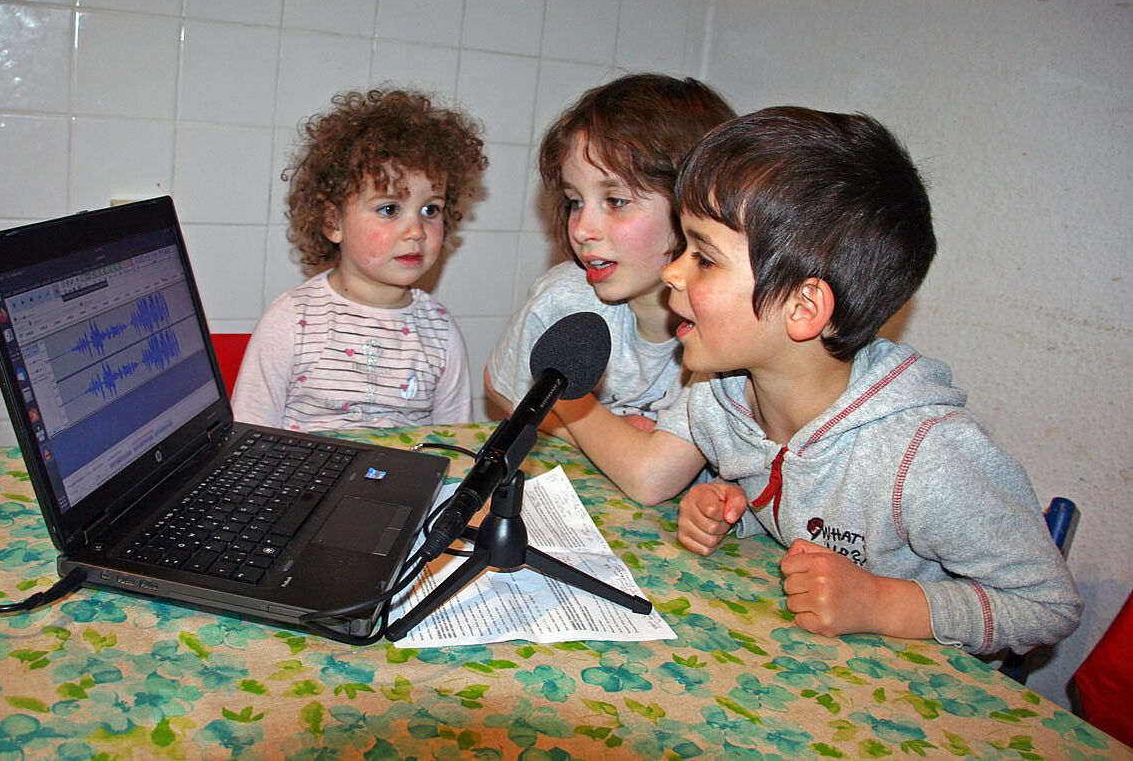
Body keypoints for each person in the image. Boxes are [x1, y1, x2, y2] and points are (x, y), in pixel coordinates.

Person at [567, 106, 1081, 655]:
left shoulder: (924, 459)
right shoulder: (716, 399)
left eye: (705, 259)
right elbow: (798, 505)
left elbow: (1049, 607)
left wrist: (882, 603)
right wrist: (726, 507)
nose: (672, 271)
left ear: (804, 306)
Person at [484, 73, 735, 501]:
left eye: (615, 201)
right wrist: (612, 432)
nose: (582, 229)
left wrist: (566, 405)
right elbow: (500, 385)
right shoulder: (565, 298)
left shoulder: (725, 336)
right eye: (575, 201)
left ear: (694, 207)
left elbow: (652, 478)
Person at [232, 88, 487, 431]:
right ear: (333, 221)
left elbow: (457, 444)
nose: (416, 231)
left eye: (431, 210)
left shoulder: (440, 333)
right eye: (389, 209)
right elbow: (247, 438)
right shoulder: (291, 321)